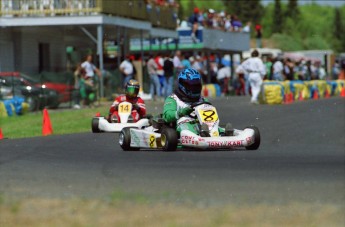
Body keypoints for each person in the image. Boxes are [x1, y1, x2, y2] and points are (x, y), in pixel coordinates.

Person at [162, 68, 233, 137]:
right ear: (183, 84)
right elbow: (167, 116)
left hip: (202, 124)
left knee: (213, 124)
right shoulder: (173, 99)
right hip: (183, 125)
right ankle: (200, 135)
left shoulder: (202, 99)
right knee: (186, 126)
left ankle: (221, 133)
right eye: (192, 86)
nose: (194, 88)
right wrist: (182, 112)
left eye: (196, 86)